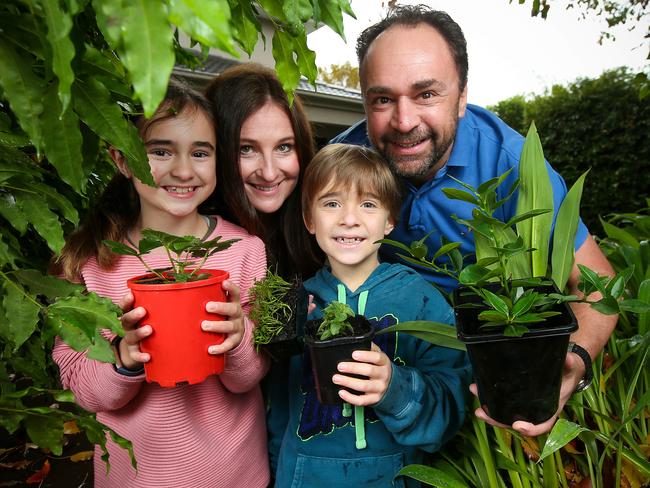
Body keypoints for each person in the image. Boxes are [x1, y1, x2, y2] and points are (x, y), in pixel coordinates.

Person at [331, 4, 617, 436]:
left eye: (427, 94)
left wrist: (573, 361)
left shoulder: (514, 166)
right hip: (394, 380)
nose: (404, 121)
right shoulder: (342, 168)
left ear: (462, 96)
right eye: (383, 99)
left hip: (501, 371)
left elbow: (600, 283)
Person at [53, 80, 270, 487]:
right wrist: (123, 357)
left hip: (233, 474)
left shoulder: (244, 250)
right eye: (160, 151)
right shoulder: (93, 263)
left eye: (200, 153)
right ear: (122, 159)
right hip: (134, 478)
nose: (183, 170)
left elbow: (247, 378)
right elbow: (84, 392)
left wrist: (238, 339)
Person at [270, 143, 471, 487]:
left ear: (390, 220)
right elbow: (277, 412)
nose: (349, 219)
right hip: (304, 476)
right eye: (332, 204)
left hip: (393, 476)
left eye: (368, 204)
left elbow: (453, 405)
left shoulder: (421, 301)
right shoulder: (295, 305)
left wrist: (395, 388)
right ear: (309, 219)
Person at [204, 63, 323, 280]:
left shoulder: (326, 230)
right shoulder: (198, 241)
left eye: (283, 147)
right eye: (246, 149)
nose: (268, 173)